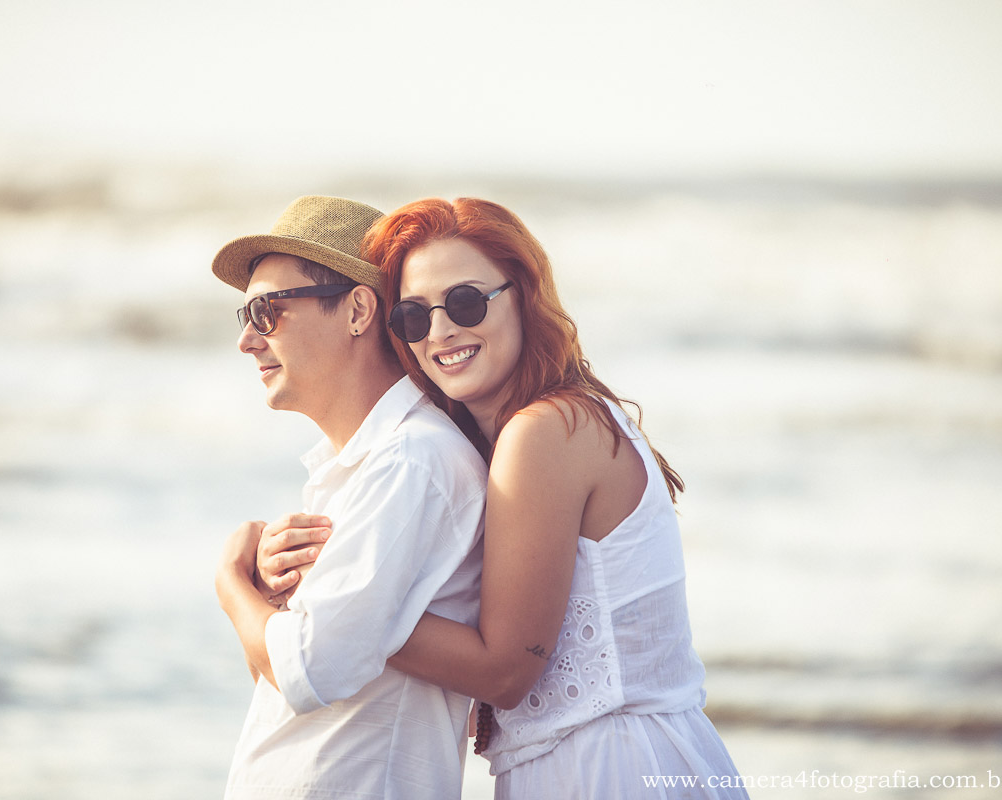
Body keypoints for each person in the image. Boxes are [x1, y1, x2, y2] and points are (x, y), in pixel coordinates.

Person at [261, 197, 749, 799]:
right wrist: (344, 588)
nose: (441, 331)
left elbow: (505, 671)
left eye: (465, 302)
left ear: (522, 293)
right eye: (413, 316)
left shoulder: (543, 432)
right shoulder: (524, 435)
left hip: (608, 769)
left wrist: (334, 597)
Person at [210, 195, 488, 800]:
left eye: (266, 311)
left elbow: (310, 670)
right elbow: (280, 674)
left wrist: (232, 584)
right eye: (245, 317)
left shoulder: (411, 462)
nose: (248, 341)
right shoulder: (361, 467)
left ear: (359, 309)